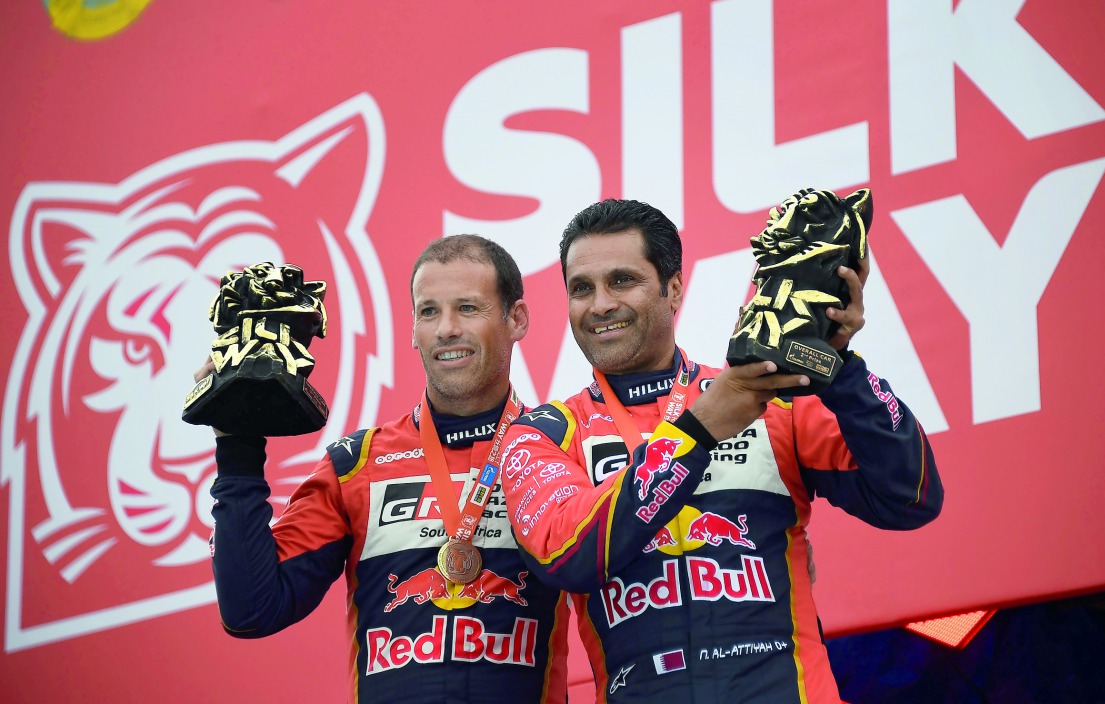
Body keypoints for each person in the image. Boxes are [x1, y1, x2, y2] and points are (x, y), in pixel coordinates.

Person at [496, 199, 943, 703]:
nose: (600, 304)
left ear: (673, 289)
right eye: (582, 288)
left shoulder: (769, 401)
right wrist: (702, 427)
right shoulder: (547, 432)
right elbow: (567, 554)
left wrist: (840, 368)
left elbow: (911, 495)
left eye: (622, 280)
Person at [200, 236, 571, 704]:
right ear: (412, 328)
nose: (446, 329)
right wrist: (237, 443)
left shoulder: (559, 448)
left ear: (516, 319)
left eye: (468, 308)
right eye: (429, 311)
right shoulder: (355, 464)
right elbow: (251, 609)